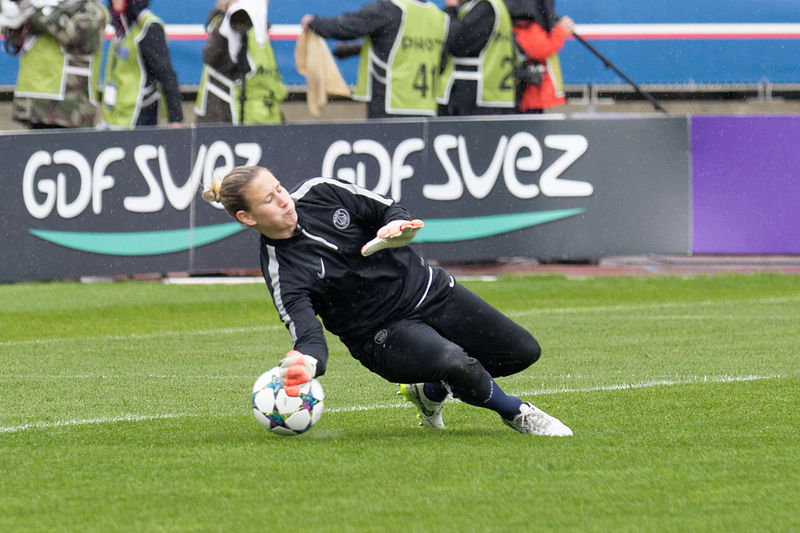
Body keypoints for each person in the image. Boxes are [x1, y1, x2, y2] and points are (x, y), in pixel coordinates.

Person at [201, 165, 573, 437]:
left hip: (429, 290)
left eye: (279, 187)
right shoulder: (282, 269)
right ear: (246, 217)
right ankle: (516, 412)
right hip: (382, 334)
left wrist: (395, 226)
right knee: (456, 362)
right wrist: (306, 363)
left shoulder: (320, 191)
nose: (283, 200)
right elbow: (307, 333)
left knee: (523, 351)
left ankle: (430, 391)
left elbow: (388, 207)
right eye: (269, 199)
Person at [300, 0, 449, 119]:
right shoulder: (438, 16)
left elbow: (346, 27)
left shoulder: (390, 9)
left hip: (390, 104)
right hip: (426, 108)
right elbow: (439, 62)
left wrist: (314, 23)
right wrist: (355, 50)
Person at [0, 0, 107, 128]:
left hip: (70, 108)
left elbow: (80, 38)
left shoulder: (91, 9)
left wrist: (40, 11)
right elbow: (15, 39)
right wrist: (17, 13)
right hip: (34, 104)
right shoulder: (38, 8)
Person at [194, 0, 287, 125]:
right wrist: (231, 24)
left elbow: (269, 75)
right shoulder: (225, 26)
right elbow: (212, 57)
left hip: (263, 113)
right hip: (227, 114)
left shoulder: (259, 29)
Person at [101, 0, 183, 128]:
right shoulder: (122, 25)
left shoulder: (148, 28)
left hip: (138, 115)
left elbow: (166, 74)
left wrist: (175, 119)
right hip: (115, 115)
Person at [437, 0, 516, 116]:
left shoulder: (485, 7)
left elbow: (458, 42)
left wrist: (451, 10)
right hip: (492, 97)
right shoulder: (495, 6)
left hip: (475, 98)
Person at [506, 0, 573, 113]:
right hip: (527, 95)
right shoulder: (523, 18)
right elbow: (538, 49)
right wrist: (561, 31)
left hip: (529, 93)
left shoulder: (522, 13)